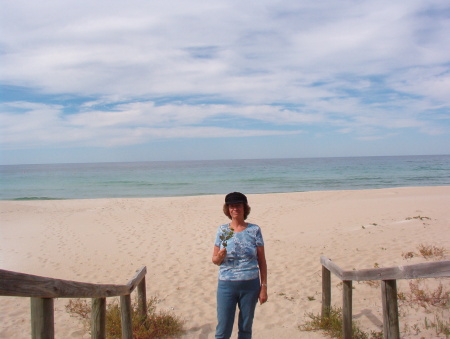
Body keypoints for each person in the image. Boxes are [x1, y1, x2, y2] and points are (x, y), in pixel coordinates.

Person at [212, 192, 268, 339]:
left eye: (238, 205)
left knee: (245, 328)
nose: (235, 209)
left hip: (250, 285)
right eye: (231, 206)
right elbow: (215, 260)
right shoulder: (223, 230)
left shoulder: (254, 230)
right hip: (226, 285)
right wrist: (219, 257)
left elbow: (262, 261)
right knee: (223, 329)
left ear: (245, 208)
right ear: (227, 209)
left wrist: (264, 287)